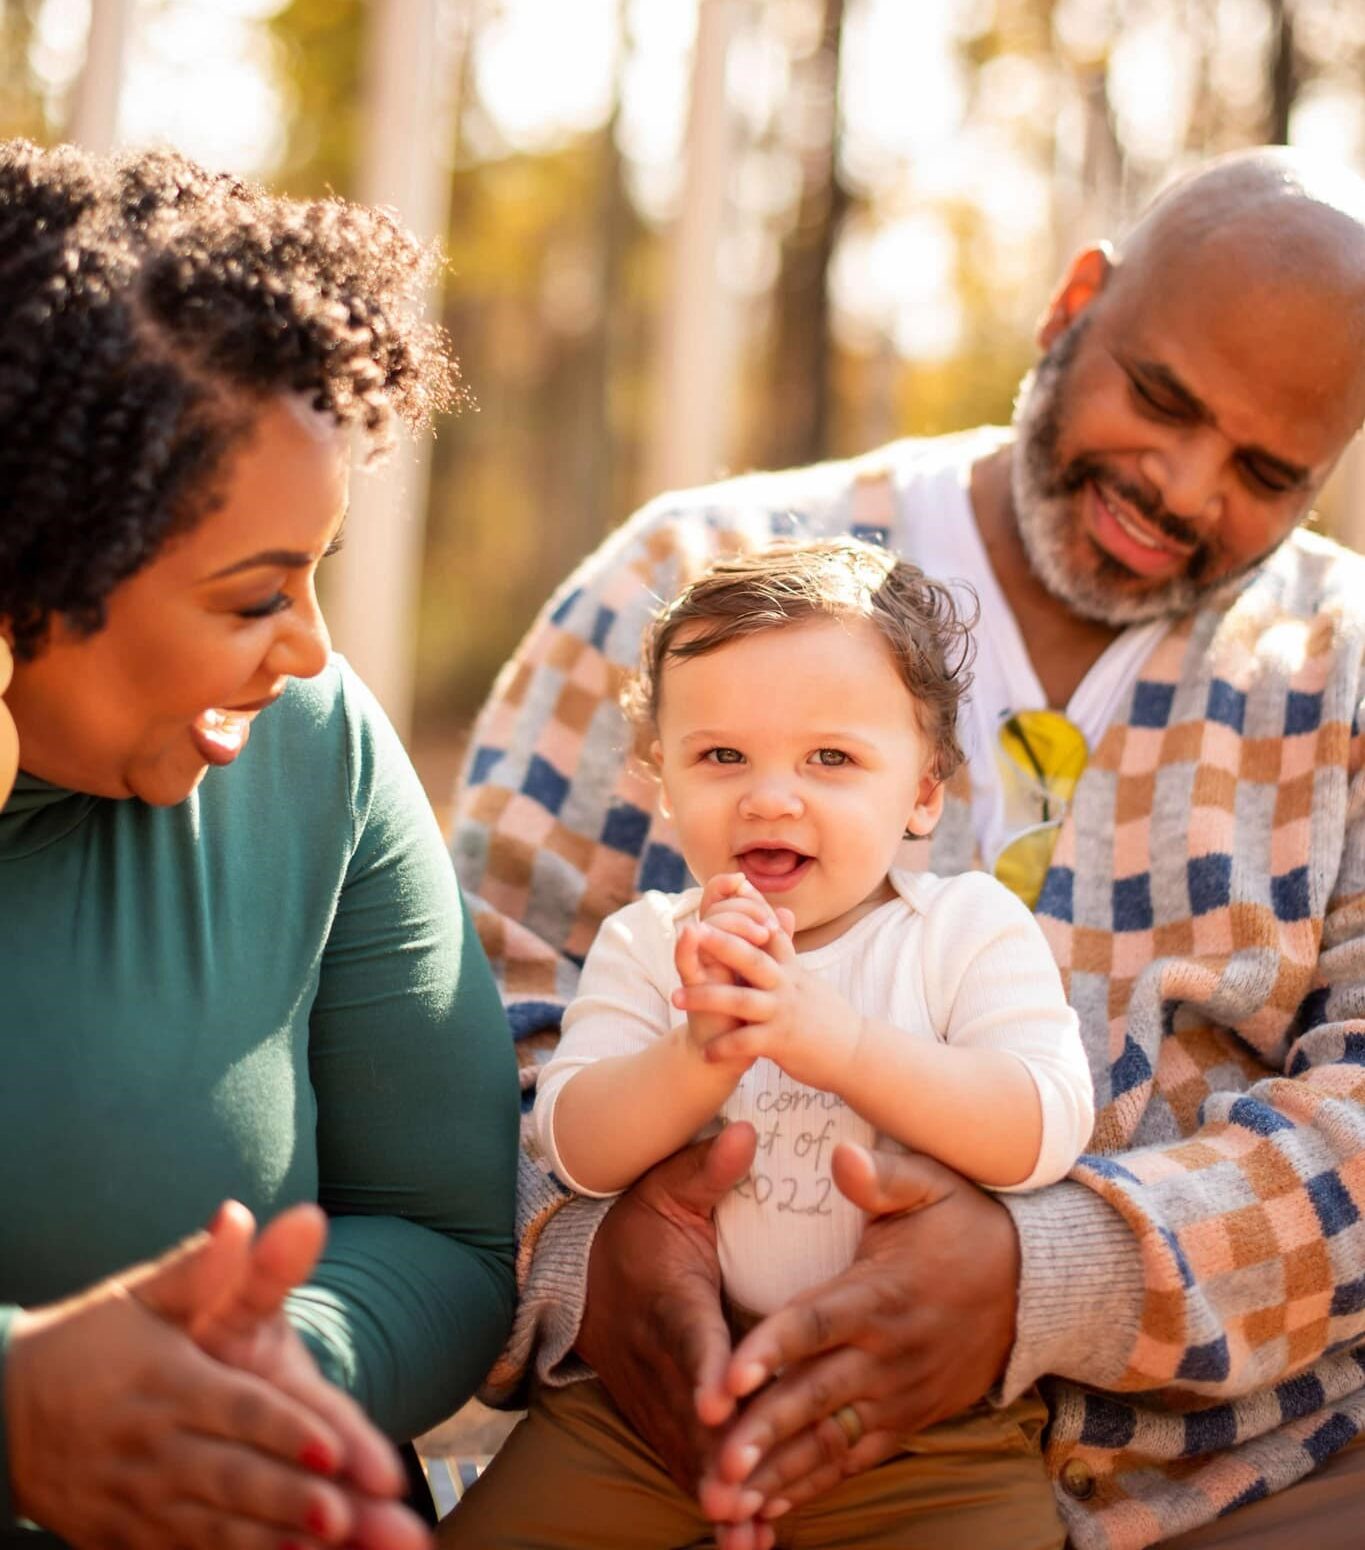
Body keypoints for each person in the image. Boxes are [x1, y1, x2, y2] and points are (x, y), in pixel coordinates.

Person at [447, 144, 1365, 1550]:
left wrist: (1049, 1275)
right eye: (1160, 398)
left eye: (1262, 470)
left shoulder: (1344, 678)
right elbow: (457, 1022)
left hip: (1227, 1480)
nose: (1179, 487)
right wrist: (587, 1256)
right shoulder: (685, 578)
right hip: (662, 1431)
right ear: (1074, 304)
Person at [0, 139, 519, 1550]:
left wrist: (262, 1377)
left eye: (315, 575)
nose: (312, 650)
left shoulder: (310, 744)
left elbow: (449, 1240)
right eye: (248, 599)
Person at [446, 540, 1093, 1546]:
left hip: (926, 1429)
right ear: (664, 780)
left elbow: (1041, 1124)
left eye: (830, 758)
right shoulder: (653, 941)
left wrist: (835, 1040)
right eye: (721, 756)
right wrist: (696, 1051)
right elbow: (571, 1141)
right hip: (644, 1407)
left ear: (924, 791)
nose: (771, 796)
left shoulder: (964, 930)